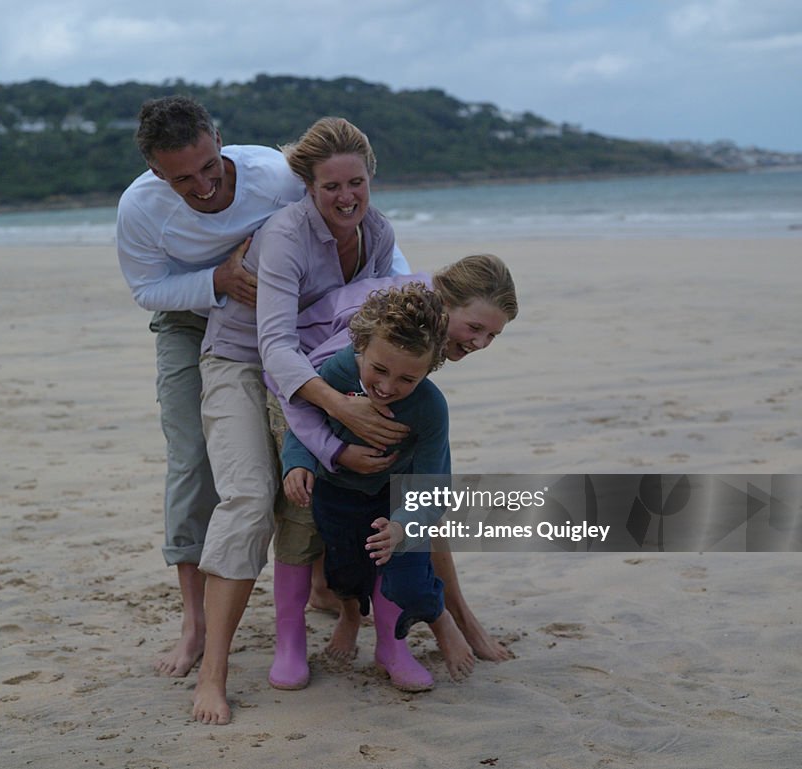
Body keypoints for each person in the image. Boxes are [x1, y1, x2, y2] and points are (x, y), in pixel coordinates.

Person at [193, 117, 412, 724]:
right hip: (242, 359)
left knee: (348, 478)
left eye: (357, 184)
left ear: (371, 179)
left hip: (317, 366)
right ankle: (213, 674)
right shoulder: (288, 234)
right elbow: (274, 345)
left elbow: (363, 331)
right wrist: (339, 405)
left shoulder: (379, 232)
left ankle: (360, 612)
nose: (346, 198)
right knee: (248, 497)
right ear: (308, 189)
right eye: (331, 187)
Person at [115, 95, 305, 677]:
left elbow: (331, 226)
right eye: (181, 178)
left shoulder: (274, 176)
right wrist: (217, 280)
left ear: (218, 139)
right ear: (155, 171)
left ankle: (318, 581)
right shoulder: (140, 209)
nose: (200, 186)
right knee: (193, 458)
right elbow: (148, 290)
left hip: (268, 310)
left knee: (292, 445)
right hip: (188, 316)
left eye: (208, 168)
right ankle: (194, 621)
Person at [266, 254, 518, 691]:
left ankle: (411, 629)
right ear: (443, 302)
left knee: (405, 521)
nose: (480, 343)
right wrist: (330, 452)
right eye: (475, 328)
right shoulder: (369, 346)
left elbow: (432, 482)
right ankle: (331, 624)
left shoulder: (415, 373)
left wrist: (404, 519)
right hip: (296, 389)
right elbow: (302, 395)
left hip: (371, 418)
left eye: (492, 335)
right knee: (308, 526)